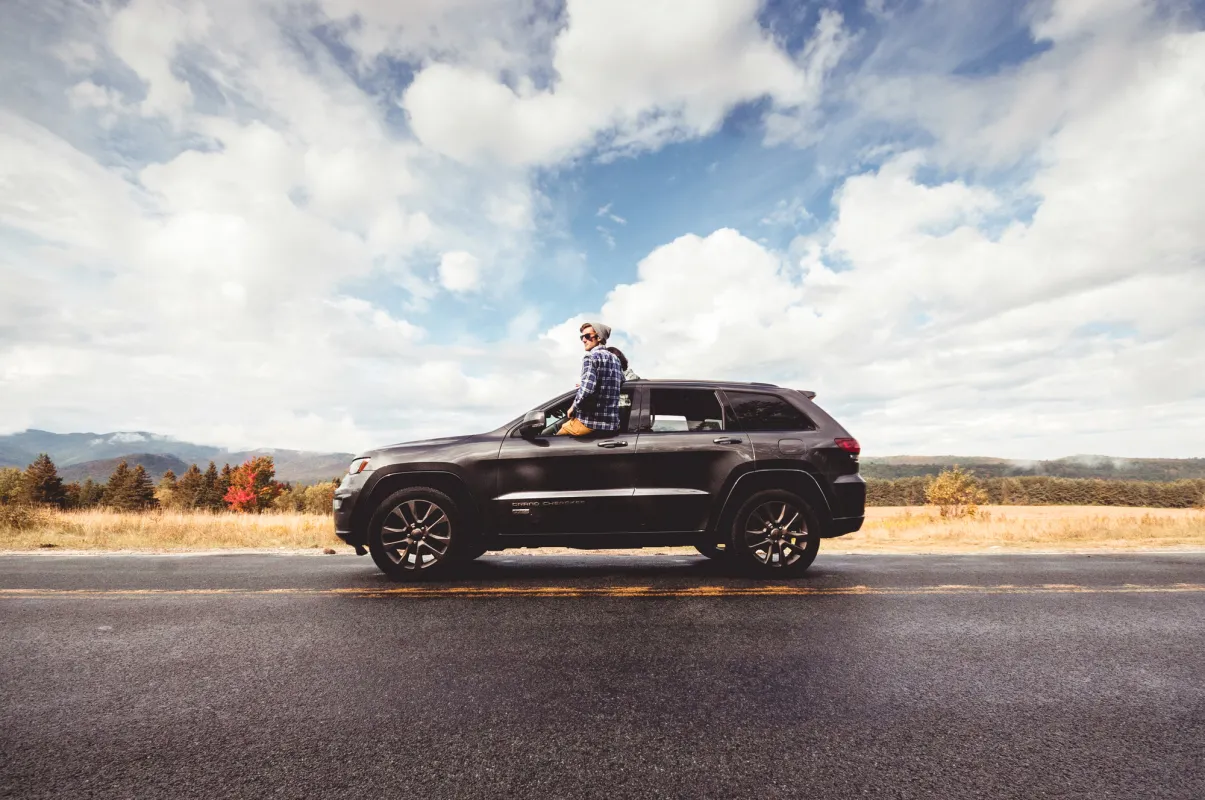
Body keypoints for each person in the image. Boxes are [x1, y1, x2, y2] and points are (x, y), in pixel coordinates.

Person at [559, 322, 623, 436]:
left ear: (598, 337)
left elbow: (588, 389)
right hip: (611, 426)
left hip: (589, 423)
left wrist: (573, 406)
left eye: (587, 336)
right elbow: (620, 382)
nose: (584, 340)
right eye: (582, 337)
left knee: (552, 441)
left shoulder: (590, 357)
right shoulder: (616, 359)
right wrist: (593, 383)